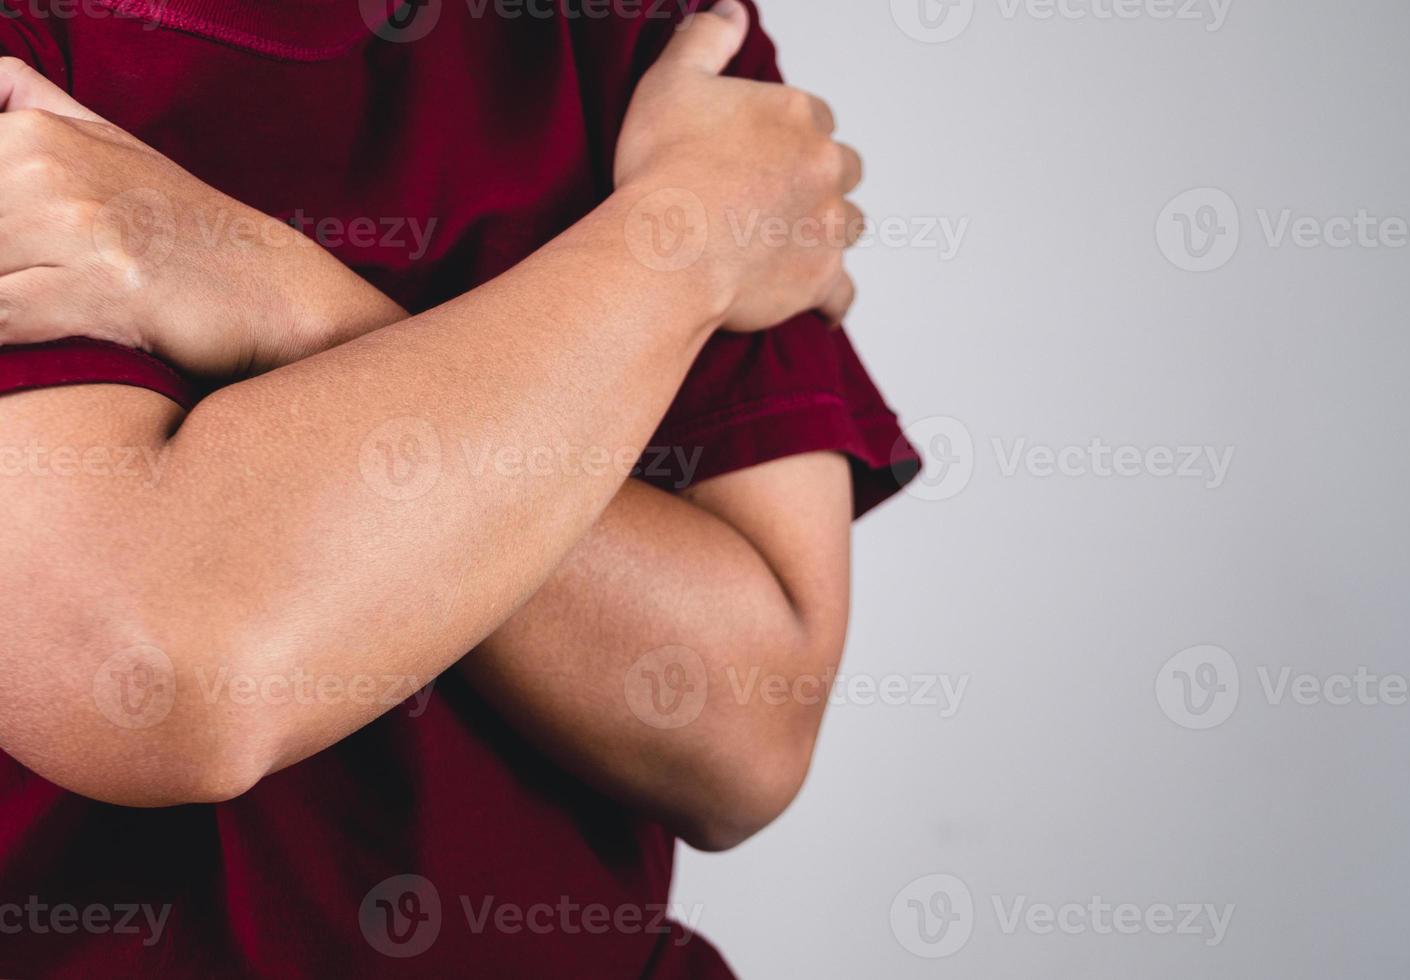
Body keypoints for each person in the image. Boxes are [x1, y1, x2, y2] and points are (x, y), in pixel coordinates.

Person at [0, 0, 919, 974]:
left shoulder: (653, 33)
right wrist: (688, 239)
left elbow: (746, 725)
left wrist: (266, 282)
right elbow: (167, 669)